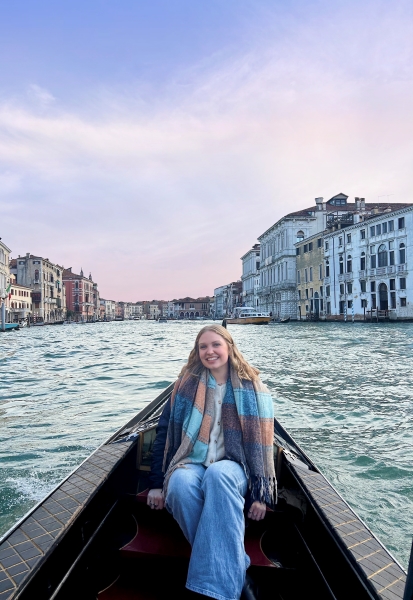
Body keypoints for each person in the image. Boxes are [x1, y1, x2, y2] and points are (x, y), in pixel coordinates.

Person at [147, 325, 276, 600]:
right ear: (197, 352)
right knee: (180, 483)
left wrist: (259, 495)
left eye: (215, 345)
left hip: (234, 466)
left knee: (218, 474)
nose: (210, 351)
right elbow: (164, 433)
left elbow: (262, 446)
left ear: (229, 347)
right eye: (203, 347)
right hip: (191, 460)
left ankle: (214, 592)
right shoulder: (185, 385)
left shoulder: (253, 387)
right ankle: (238, 567)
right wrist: (157, 484)